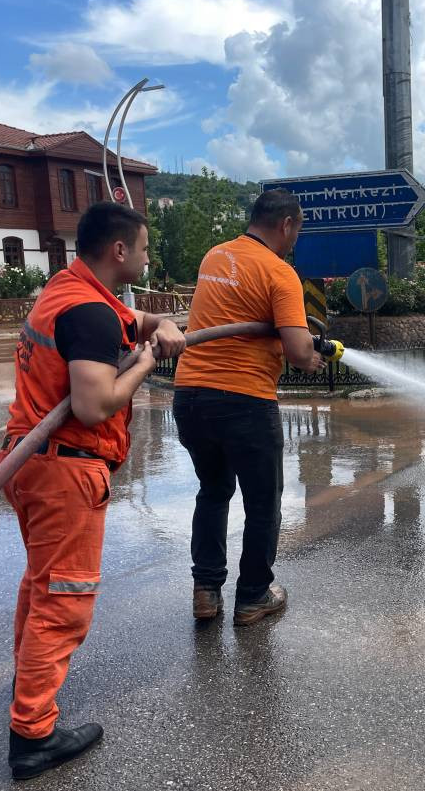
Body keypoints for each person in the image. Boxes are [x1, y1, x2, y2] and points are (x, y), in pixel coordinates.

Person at [0, 202, 186, 780]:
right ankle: (33, 734)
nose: (149, 258)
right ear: (119, 250)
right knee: (65, 600)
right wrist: (149, 361)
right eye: (145, 248)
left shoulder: (68, 288)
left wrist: (160, 325)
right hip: (66, 472)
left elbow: (129, 319)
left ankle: (29, 680)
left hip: (28, 460)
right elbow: (93, 404)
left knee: (42, 582)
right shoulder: (89, 313)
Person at [172, 189, 325, 628]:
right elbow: (298, 350)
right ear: (286, 224)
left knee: (213, 490)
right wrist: (311, 358)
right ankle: (254, 596)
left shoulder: (215, 256)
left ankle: (206, 591)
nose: (295, 240)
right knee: (262, 503)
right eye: (297, 231)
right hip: (244, 398)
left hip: (190, 395)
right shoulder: (280, 272)